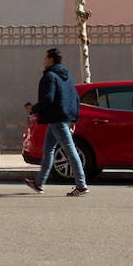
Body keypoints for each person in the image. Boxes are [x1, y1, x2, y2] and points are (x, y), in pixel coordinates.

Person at [24, 48, 89, 196]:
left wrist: (33, 109)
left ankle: (81, 185)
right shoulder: (66, 76)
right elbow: (75, 99)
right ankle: (39, 183)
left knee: (70, 150)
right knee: (48, 151)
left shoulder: (50, 76)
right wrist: (74, 119)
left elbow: (47, 100)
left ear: (51, 59)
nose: (44, 61)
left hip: (57, 119)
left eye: (46, 58)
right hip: (62, 119)